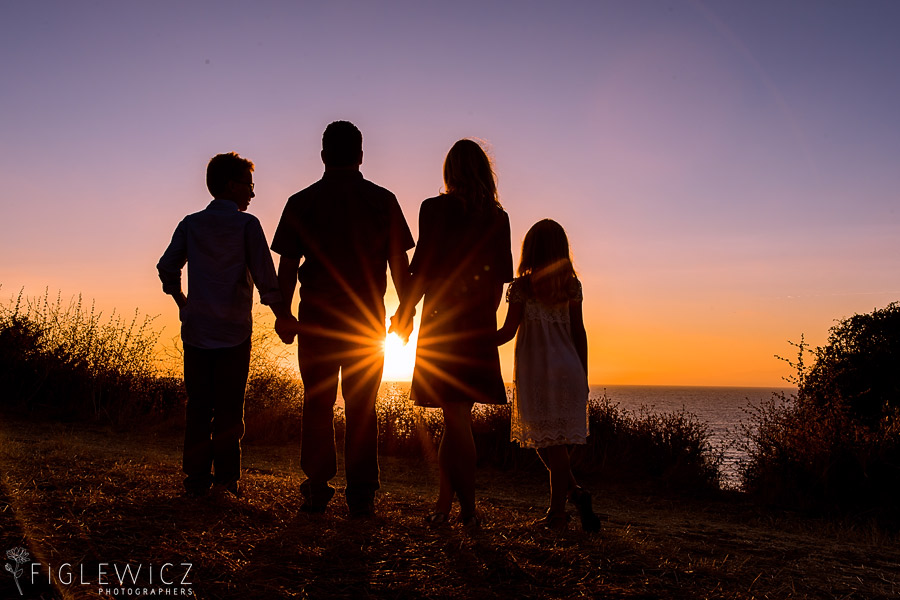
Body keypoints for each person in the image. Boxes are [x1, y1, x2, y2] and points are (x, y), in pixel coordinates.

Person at [271, 121, 414, 518]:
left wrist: (283, 313)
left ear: (322, 156)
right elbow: (399, 264)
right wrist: (407, 309)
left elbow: (286, 267)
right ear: (362, 156)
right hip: (365, 323)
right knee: (362, 406)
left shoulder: (301, 201)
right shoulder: (382, 200)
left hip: (315, 319)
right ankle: (362, 494)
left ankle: (317, 487)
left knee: (317, 402)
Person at [391, 139, 513, 527]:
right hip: (477, 320)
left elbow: (424, 267)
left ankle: (468, 509)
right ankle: (446, 505)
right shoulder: (497, 217)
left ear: (450, 171)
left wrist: (405, 311)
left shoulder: (435, 208)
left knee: (456, 417)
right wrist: (484, 320)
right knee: (456, 417)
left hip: (443, 319)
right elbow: (499, 279)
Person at [157, 152, 289, 498]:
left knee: (199, 405)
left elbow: (167, 268)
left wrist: (183, 303)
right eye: (249, 185)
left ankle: (196, 478)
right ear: (232, 185)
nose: (253, 193)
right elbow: (265, 277)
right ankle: (227, 480)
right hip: (233, 334)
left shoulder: (191, 224)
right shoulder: (247, 225)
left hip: (197, 330)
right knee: (230, 408)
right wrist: (282, 316)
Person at [496, 219, 602, 531]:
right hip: (568, 367)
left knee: (551, 443)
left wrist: (473, 338)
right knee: (549, 442)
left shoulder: (521, 288)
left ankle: (557, 515)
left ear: (530, 250)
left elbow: (506, 332)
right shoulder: (571, 285)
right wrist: (582, 372)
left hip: (537, 371)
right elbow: (579, 332)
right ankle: (576, 494)